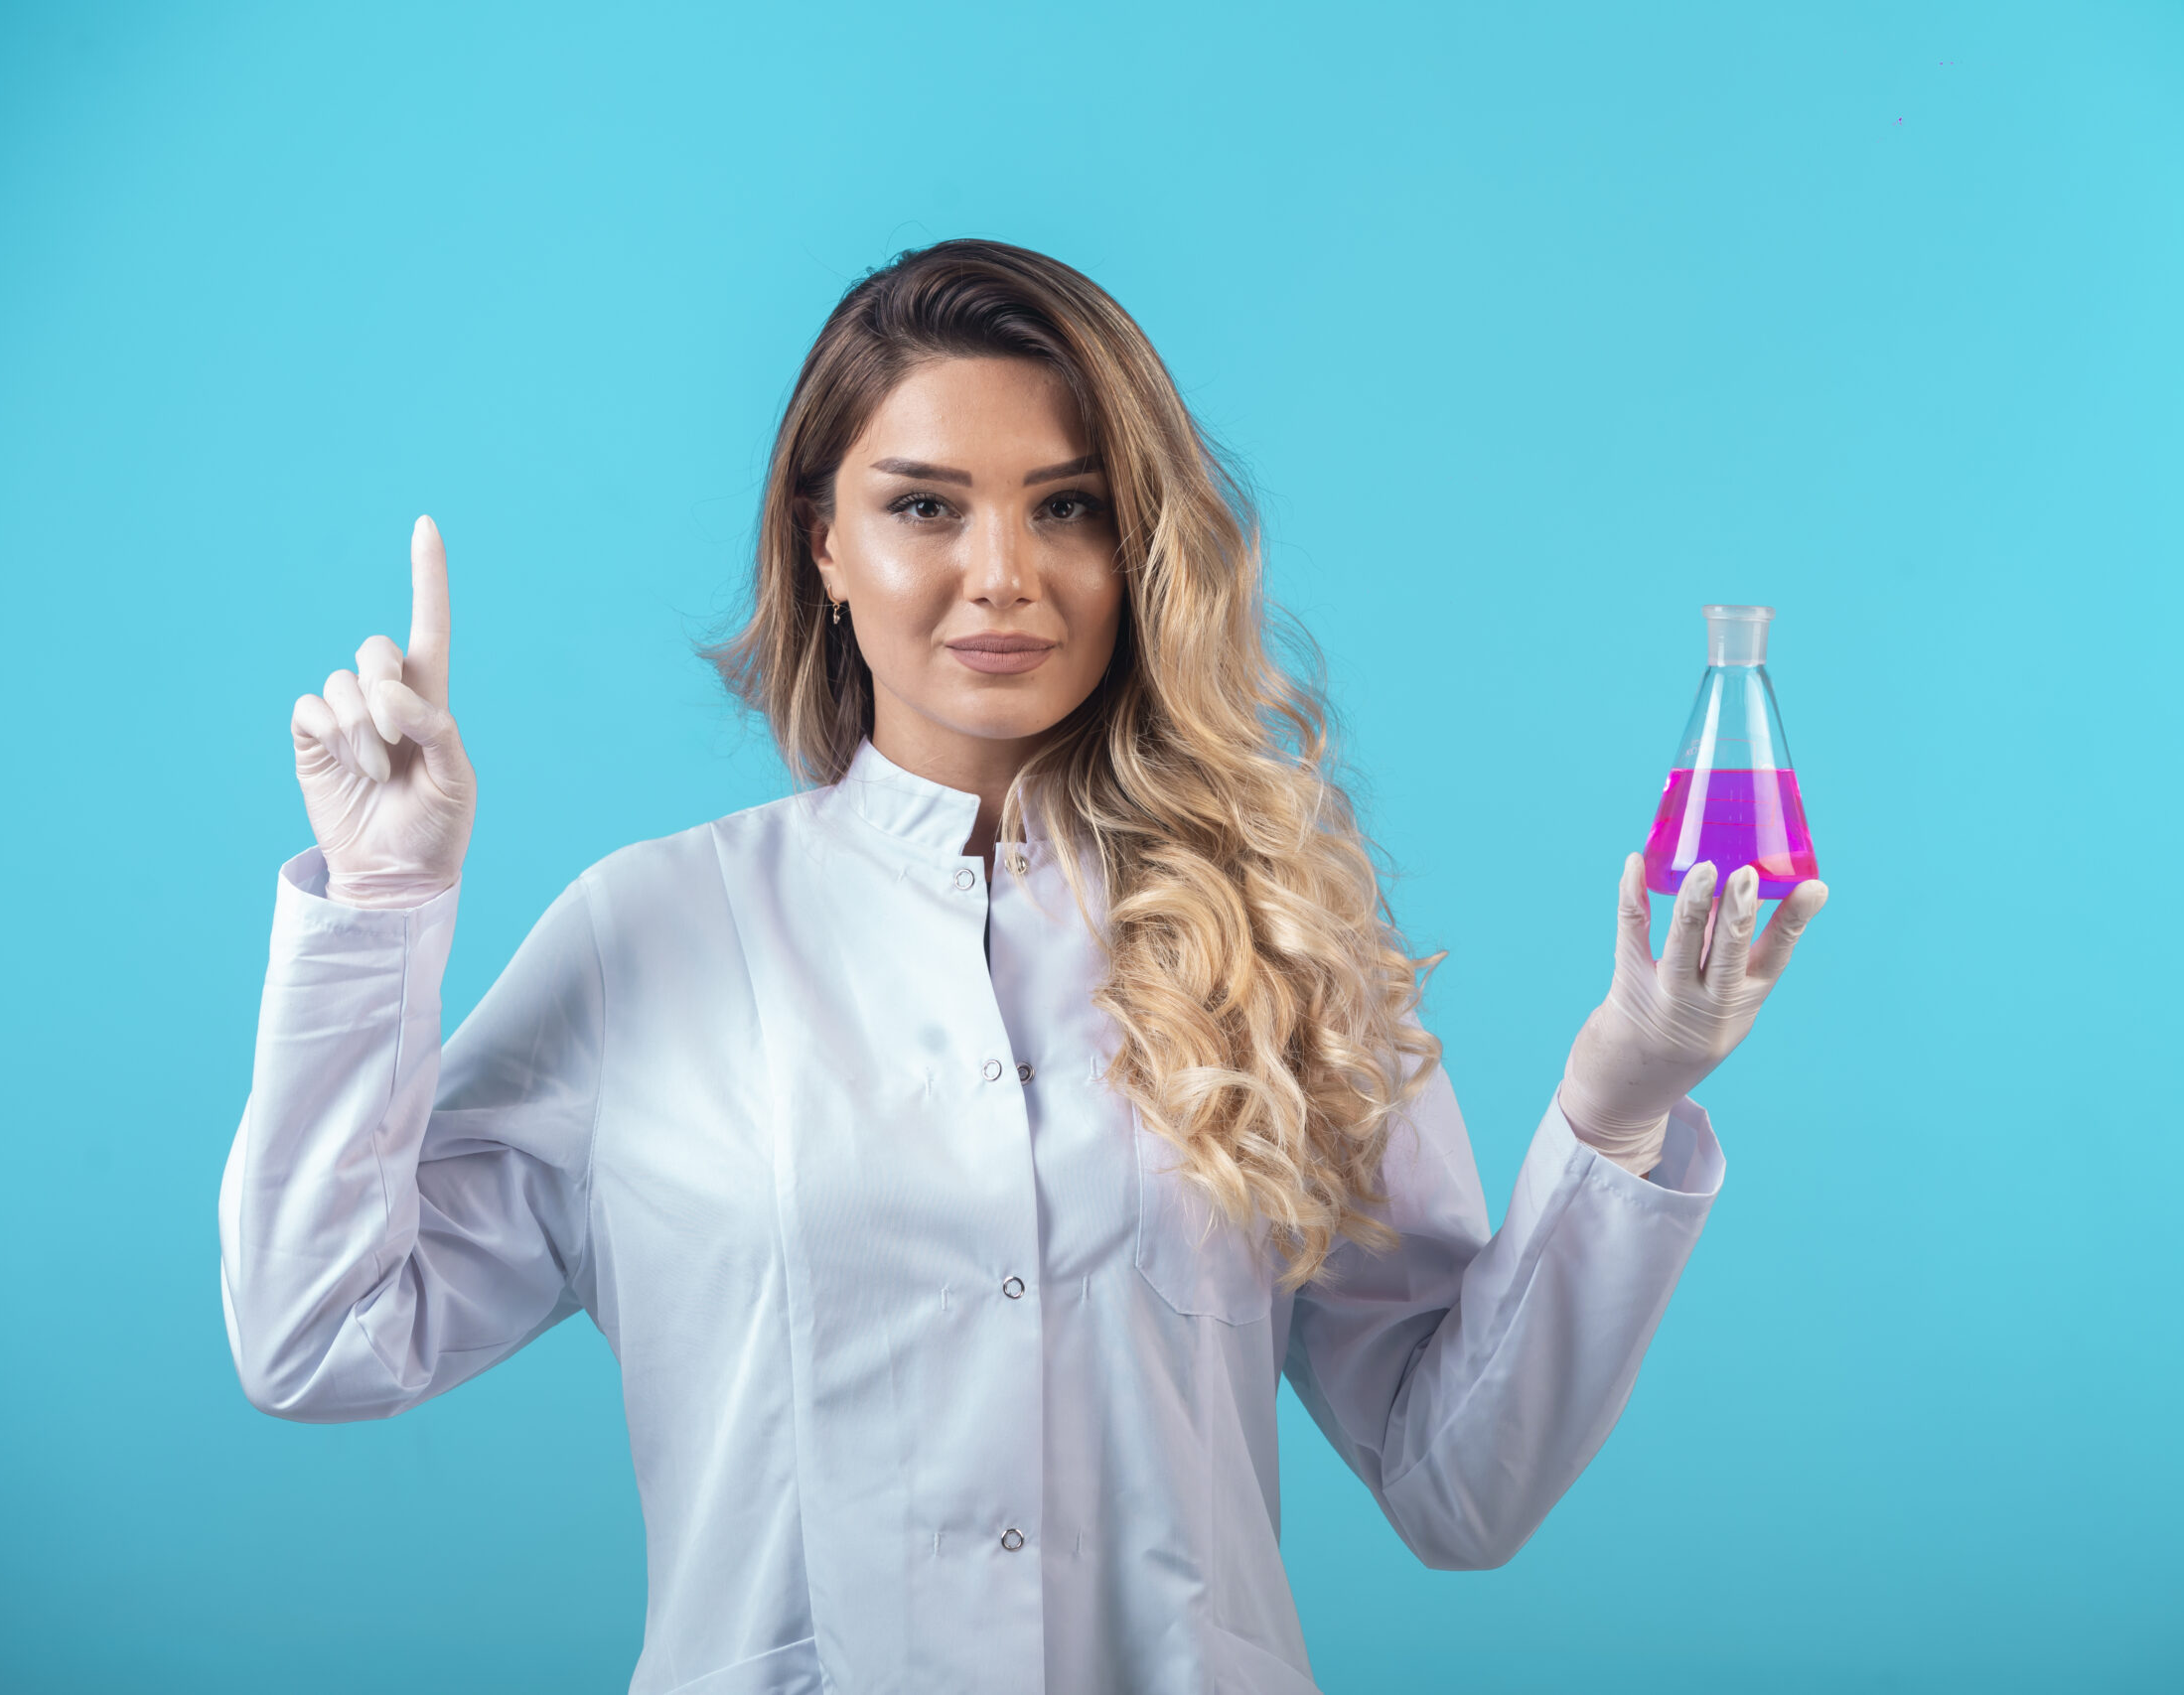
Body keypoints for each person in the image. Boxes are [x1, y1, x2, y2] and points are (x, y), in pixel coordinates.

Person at [220, 239, 1826, 1695]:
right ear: (825, 546)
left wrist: (1621, 1103)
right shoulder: (653, 933)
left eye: (1069, 506)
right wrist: (380, 900)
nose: (1004, 573)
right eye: (925, 505)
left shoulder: (1275, 941)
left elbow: (1456, 1486)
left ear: (1141, 551)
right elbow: (325, 1336)